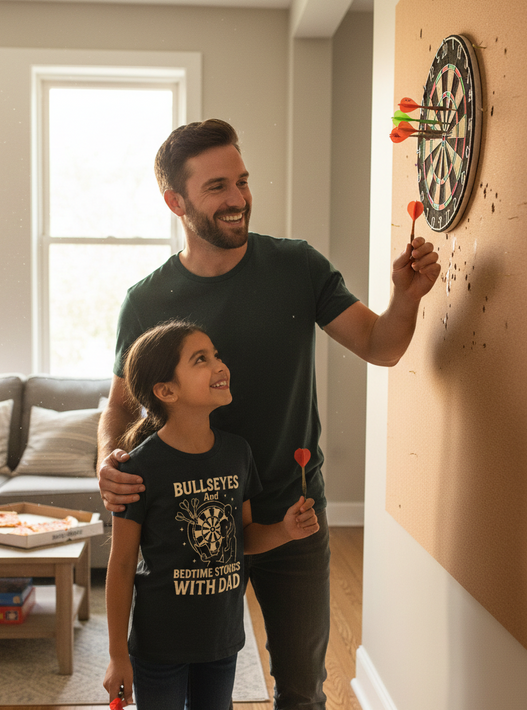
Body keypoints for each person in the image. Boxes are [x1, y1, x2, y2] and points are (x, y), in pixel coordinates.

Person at [98, 119, 441, 709]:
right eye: (216, 187)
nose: (237, 199)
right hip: (187, 532)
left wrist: (406, 297)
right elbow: (119, 410)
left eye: (242, 181)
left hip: (291, 515)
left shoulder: (297, 267)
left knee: (303, 689)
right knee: (191, 683)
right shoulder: (147, 300)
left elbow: (381, 346)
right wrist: (107, 458)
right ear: (174, 201)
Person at [102, 319, 319, 710]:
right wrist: (118, 655)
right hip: (159, 645)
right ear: (166, 390)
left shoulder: (238, 453)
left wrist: (286, 530)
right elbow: (120, 566)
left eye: (216, 355)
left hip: (221, 639)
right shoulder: (138, 468)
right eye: (201, 359)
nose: (220, 365)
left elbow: (244, 537)